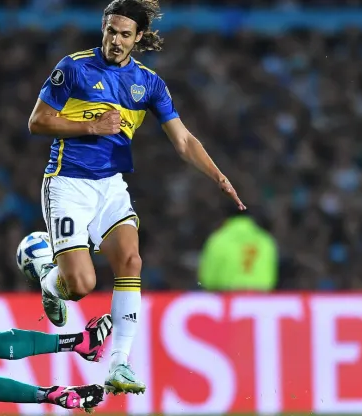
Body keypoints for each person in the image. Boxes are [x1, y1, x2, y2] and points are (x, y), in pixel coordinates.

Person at [27, 0, 245, 394]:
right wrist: (90, 125)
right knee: (80, 285)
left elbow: (183, 140)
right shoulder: (73, 67)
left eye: (125, 34)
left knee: (131, 259)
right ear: (104, 28)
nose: (115, 40)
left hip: (111, 186)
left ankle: (119, 365)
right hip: (67, 184)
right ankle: (49, 278)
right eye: (110, 31)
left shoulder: (149, 83)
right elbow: (38, 121)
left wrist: (217, 175)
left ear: (138, 37)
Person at [199, 208, 278, 291]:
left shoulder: (218, 240)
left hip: (228, 298)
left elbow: (207, 279)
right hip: (260, 298)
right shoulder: (265, 240)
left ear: (225, 218)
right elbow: (272, 277)